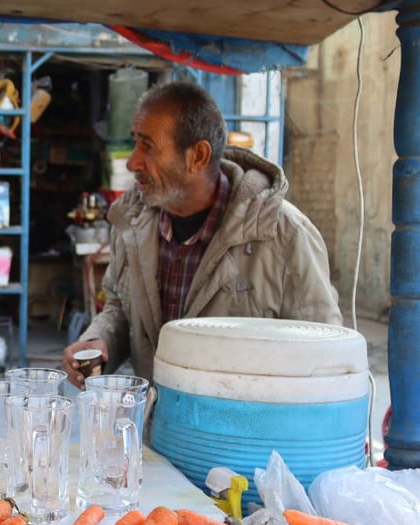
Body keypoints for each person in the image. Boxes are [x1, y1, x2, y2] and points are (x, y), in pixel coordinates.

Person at [62, 80, 341, 389]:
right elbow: (119, 307)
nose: (132, 162)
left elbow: (323, 360)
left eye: (148, 146)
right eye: (134, 143)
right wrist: (100, 342)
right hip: (160, 429)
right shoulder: (132, 222)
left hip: (246, 435)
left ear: (197, 156)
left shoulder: (285, 236)